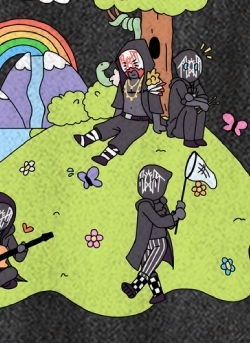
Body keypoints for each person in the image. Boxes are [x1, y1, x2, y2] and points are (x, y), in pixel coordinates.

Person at [74, 38, 165, 166]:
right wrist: (115, 117)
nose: (131, 69)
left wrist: (157, 123)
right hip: (123, 117)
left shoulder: (149, 85)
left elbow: (154, 105)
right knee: (107, 126)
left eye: (134, 63)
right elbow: (119, 101)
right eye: (126, 66)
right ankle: (87, 139)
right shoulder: (124, 83)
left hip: (140, 122)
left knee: (123, 138)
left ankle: (104, 157)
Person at [121, 164, 186, 305]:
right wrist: (175, 216)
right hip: (145, 243)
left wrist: (177, 212)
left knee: (148, 266)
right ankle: (158, 294)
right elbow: (159, 221)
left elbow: (169, 225)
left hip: (159, 243)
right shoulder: (144, 206)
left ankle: (135, 287)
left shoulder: (161, 203)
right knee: (149, 268)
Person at [167, 48, 210, 147]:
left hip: (187, 124)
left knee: (200, 110)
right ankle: (189, 139)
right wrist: (202, 104)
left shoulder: (196, 83)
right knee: (191, 109)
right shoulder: (179, 84)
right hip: (177, 127)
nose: (191, 71)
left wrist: (201, 104)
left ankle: (198, 137)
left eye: (195, 66)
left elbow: (203, 96)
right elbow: (187, 101)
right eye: (186, 66)